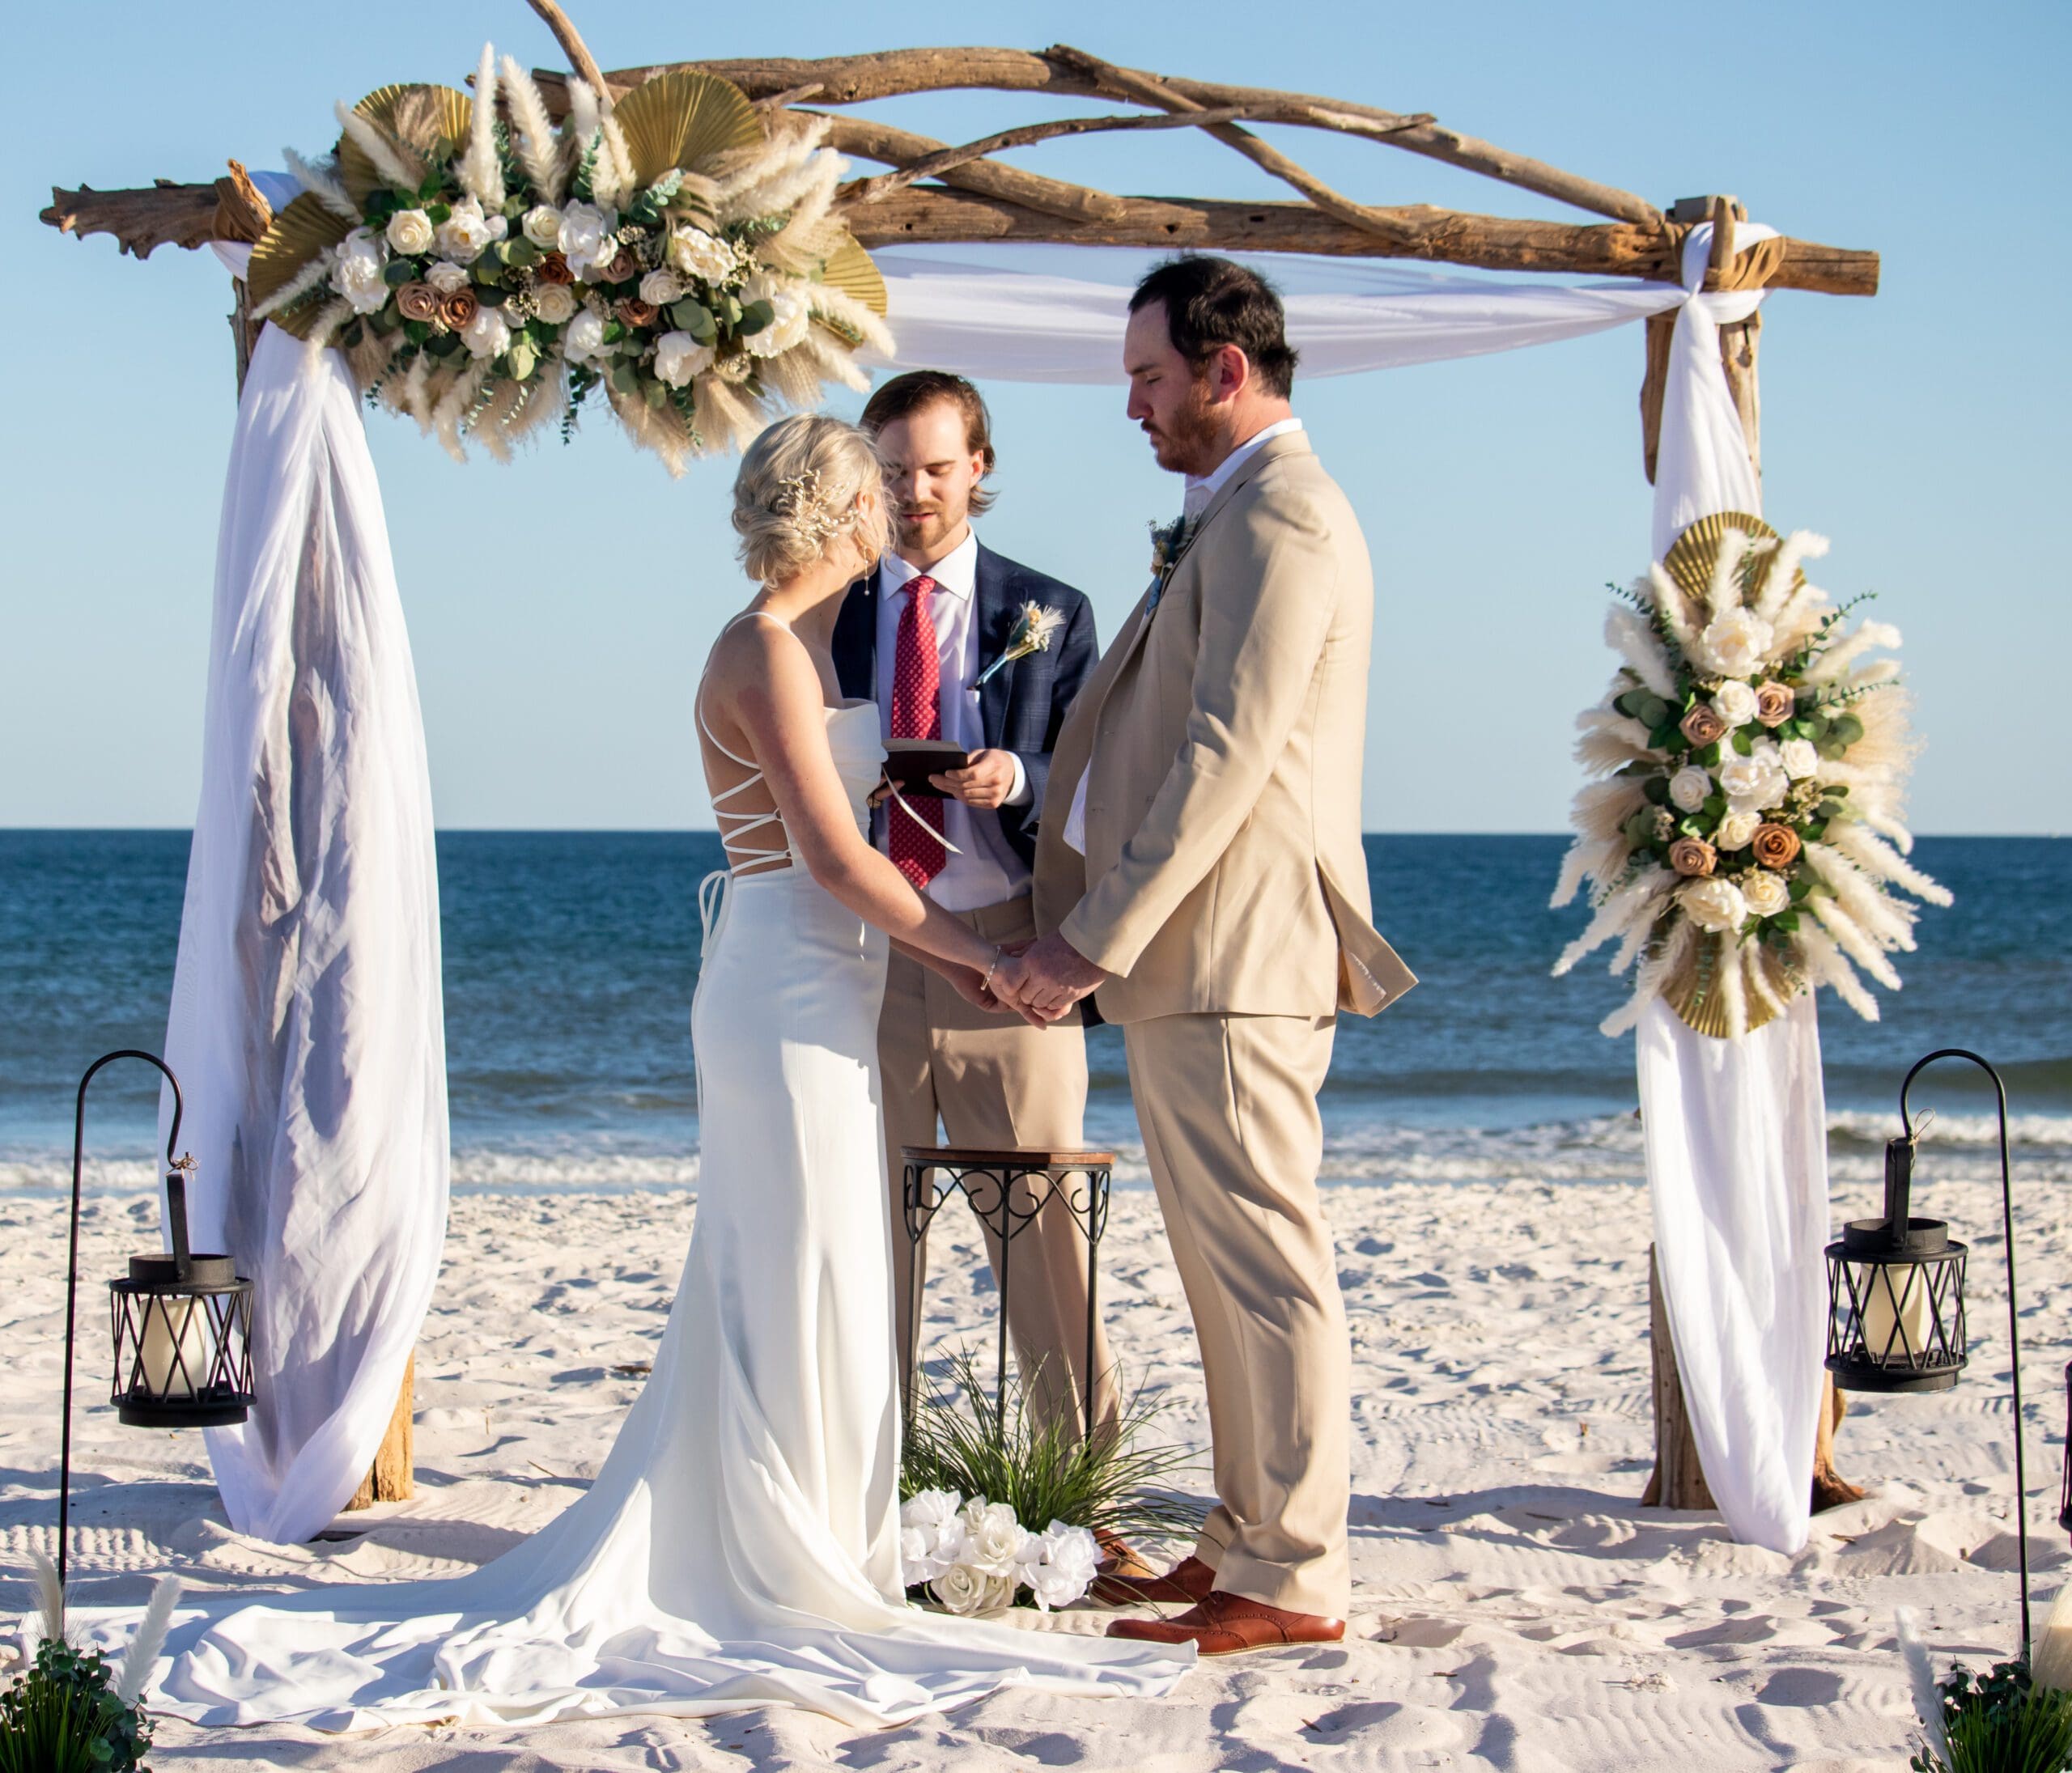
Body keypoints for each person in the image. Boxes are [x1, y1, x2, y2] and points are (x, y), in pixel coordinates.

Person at [119, 415, 1191, 1730]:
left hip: (823, 988)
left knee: (816, 1265)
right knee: (794, 1263)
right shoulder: (759, 650)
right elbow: (835, 861)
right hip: (785, 988)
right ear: (841, 515)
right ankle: (780, 1549)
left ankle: (816, 1529)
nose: (888, 522)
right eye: (873, 500)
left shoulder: (791, 645)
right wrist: (973, 955)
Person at [1018, 257, 1417, 1656]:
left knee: (1262, 1266)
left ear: (1223, 370)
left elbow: (1225, 756)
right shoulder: (1236, 512)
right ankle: (1247, 1538)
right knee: (1219, 1264)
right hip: (1200, 959)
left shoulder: (1284, 516)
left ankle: (1297, 1571)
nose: (1132, 404)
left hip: (1237, 951)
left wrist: (1087, 939)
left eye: (1147, 377)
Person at [833, 370, 1117, 1446]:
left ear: (979, 468)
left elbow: (1098, 777)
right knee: (867, 1227)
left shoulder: (1051, 611)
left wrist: (1023, 775)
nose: (914, 493)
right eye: (894, 471)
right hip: (864, 950)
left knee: (1045, 1228)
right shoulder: (833, 608)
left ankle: (1085, 1471)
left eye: (936, 469)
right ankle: (869, 1473)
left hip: (1008, 953)